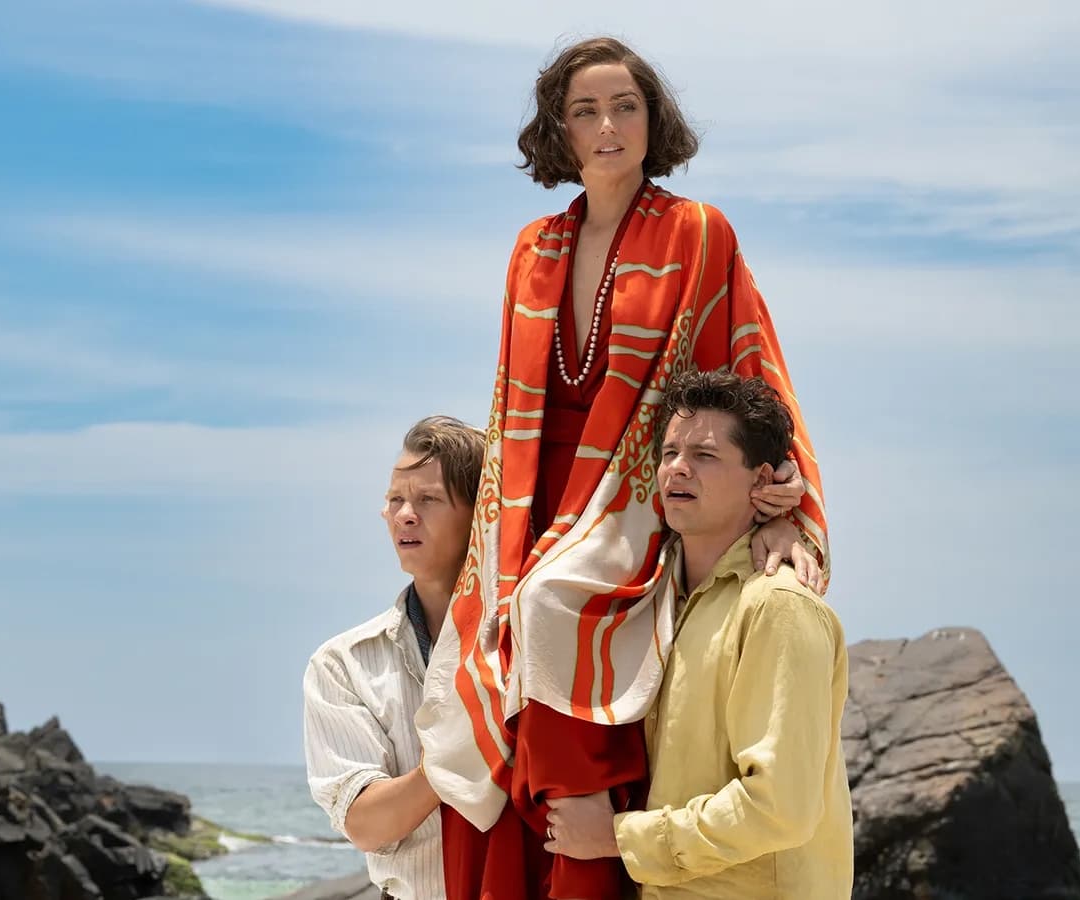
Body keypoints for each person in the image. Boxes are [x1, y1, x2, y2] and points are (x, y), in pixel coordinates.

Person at [416, 37, 830, 900]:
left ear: (652, 119)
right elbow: (510, 399)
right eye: (586, 111)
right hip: (532, 488)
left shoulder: (697, 231)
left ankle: (588, 859)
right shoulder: (533, 248)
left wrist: (784, 499)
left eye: (625, 107)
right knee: (477, 648)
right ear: (559, 131)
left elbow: (749, 365)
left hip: (634, 482)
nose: (608, 126)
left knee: (549, 602)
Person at [542, 370, 852, 899]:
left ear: (763, 481)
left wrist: (617, 838)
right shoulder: (651, 600)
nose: (678, 468)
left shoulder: (777, 607)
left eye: (704, 455)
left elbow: (778, 808)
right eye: (669, 453)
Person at [303, 416, 488, 900]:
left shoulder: (524, 642)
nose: (405, 515)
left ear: (481, 514)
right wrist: (460, 750)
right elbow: (366, 824)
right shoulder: (344, 663)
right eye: (395, 500)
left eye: (428, 499)